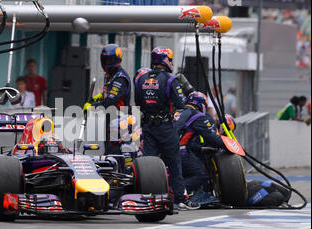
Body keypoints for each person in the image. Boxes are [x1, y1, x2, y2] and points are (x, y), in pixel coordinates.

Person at [134, 46, 199, 210]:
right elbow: (181, 104)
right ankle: (180, 199)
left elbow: (137, 103)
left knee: (149, 163)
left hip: (147, 126)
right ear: (165, 60)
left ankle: (147, 197)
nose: (171, 62)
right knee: (174, 163)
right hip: (165, 128)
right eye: (170, 59)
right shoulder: (171, 80)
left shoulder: (140, 79)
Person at [174, 92, 227, 194]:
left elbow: (183, 137)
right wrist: (229, 145)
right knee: (201, 174)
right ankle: (176, 193)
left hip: (165, 150)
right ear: (202, 104)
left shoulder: (177, 112)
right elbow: (213, 139)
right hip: (180, 152)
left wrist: (200, 149)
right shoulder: (197, 116)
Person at [83, 44, 131, 155]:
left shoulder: (120, 77)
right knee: (108, 149)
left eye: (110, 60)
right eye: (105, 60)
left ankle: (118, 171)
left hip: (119, 119)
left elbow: (111, 101)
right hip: (110, 117)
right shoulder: (109, 75)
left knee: (114, 151)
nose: (107, 63)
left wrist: (92, 107)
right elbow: (108, 94)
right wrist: (100, 96)